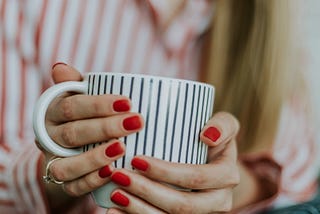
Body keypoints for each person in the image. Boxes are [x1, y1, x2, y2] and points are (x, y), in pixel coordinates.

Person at [0, 0, 318, 213]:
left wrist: (228, 188)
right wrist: (53, 170)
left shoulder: (264, 20)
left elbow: (298, 178)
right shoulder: (35, 7)